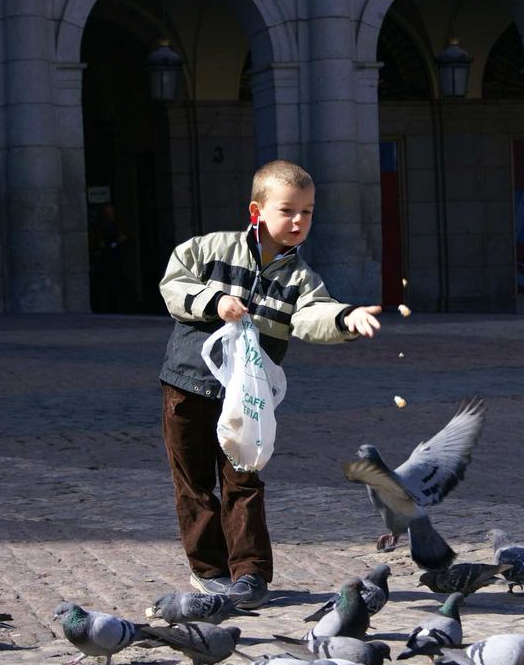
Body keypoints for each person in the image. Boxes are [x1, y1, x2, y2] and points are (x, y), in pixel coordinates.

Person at [159, 160, 381, 609]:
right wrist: (215, 300)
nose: (299, 221)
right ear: (257, 211)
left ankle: (251, 574)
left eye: (308, 212)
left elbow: (311, 315)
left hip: (247, 400)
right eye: (288, 211)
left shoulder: (300, 279)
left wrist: (345, 318)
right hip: (187, 386)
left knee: (243, 481)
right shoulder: (210, 249)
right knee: (194, 483)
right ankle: (209, 570)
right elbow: (173, 283)